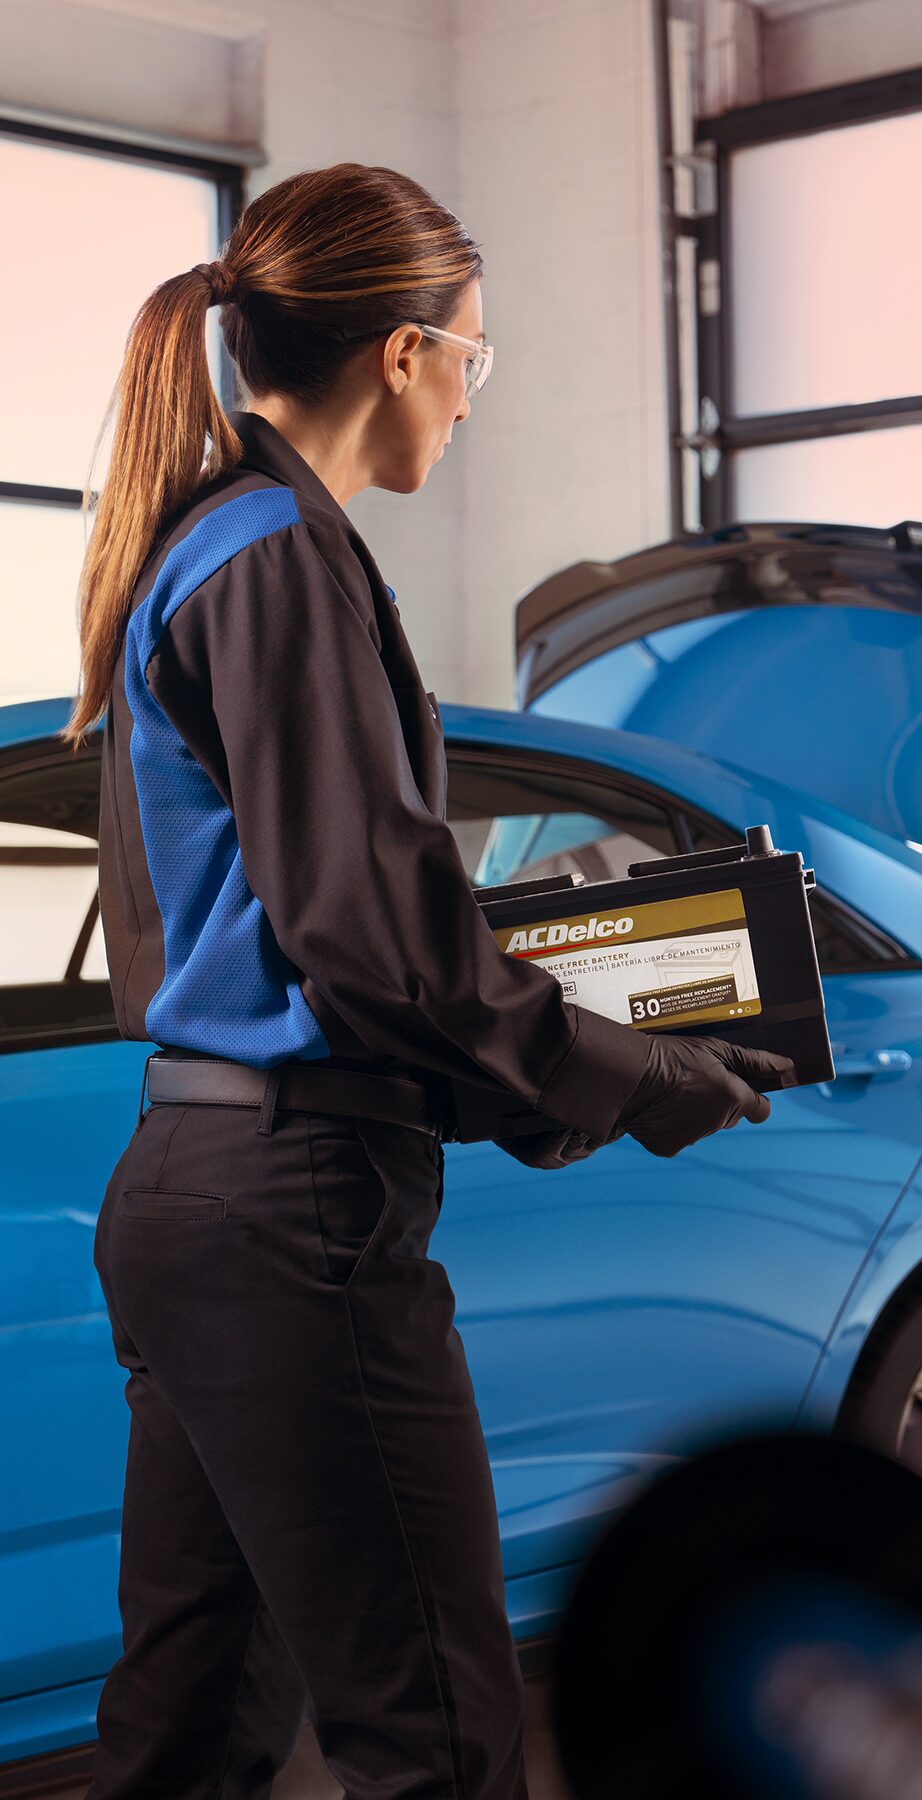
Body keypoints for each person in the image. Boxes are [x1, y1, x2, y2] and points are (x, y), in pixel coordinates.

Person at [64, 161, 794, 1800]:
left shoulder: (208, 543)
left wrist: (523, 1006)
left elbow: (324, 921)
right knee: (437, 1736)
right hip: (291, 1215)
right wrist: (636, 1076)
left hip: (200, 1185)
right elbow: (375, 941)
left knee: (186, 1736)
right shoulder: (275, 559)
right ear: (402, 353)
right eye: (475, 355)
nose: (473, 399)